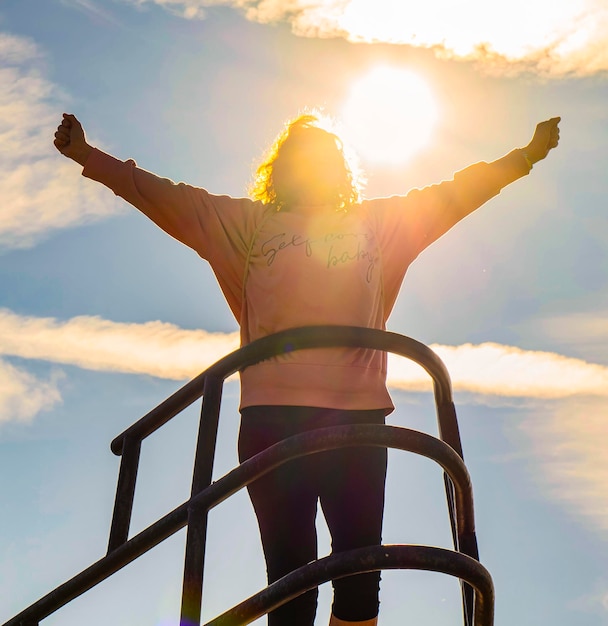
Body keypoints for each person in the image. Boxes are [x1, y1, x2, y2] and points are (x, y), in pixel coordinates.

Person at [54, 111, 560, 626]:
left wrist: (522, 159)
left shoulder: (378, 227)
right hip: (273, 421)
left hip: (358, 421)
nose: (311, 167)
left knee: (361, 575)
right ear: (282, 170)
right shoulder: (248, 226)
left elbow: (454, 194)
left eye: (322, 158)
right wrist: (88, 157)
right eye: (300, 157)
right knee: (293, 583)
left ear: (339, 169)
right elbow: (165, 197)